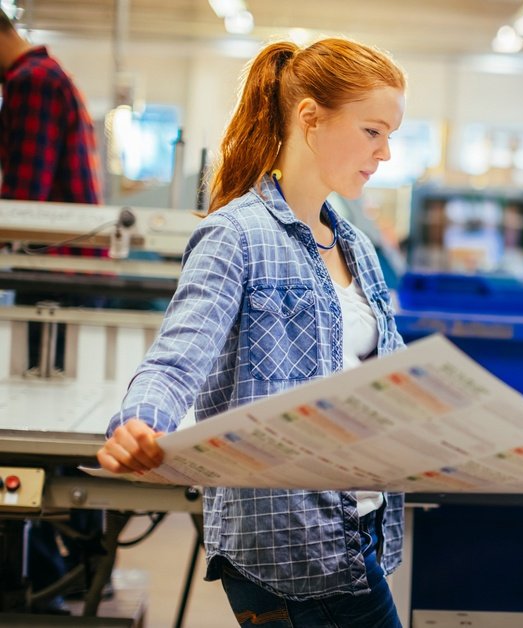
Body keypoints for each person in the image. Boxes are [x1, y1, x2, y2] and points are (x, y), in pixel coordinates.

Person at [96, 37, 408, 627]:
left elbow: (394, 389)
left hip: (359, 531)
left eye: (390, 135)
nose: (385, 153)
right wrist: (139, 423)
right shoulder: (235, 236)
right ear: (311, 118)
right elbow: (175, 361)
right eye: (373, 131)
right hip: (291, 547)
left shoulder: (358, 249)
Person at [0, 9, 106, 614]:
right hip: (65, 280)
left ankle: (51, 584)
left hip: (54, 283)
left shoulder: (30, 83)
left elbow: (25, 202)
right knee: (57, 438)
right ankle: (80, 571)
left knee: (38, 433)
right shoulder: (49, 75)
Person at [0, 9, 101, 203]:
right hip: (67, 229)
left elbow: (24, 197)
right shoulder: (44, 74)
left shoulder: (33, 81)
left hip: (58, 231)